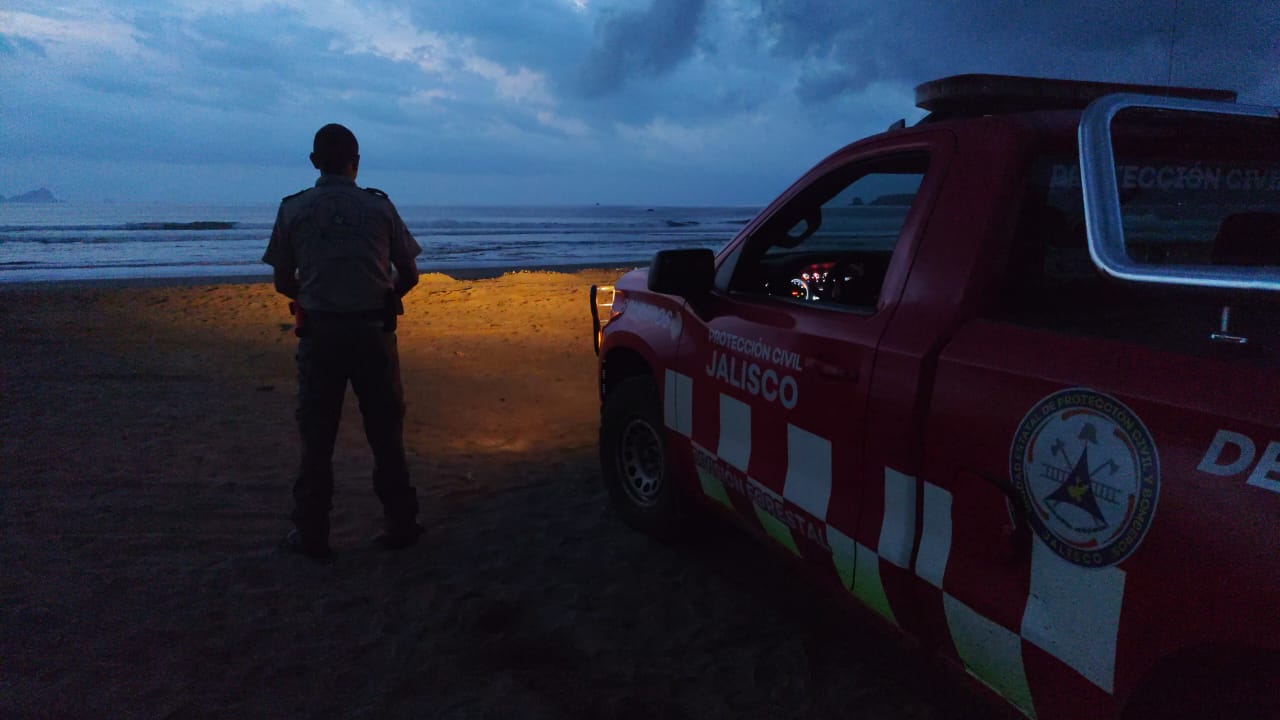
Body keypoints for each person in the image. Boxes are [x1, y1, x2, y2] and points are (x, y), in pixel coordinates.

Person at [262, 123, 423, 560]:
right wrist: (387, 294)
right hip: (373, 333)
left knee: (317, 436)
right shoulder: (379, 207)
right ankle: (401, 521)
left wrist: (310, 295)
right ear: (357, 161)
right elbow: (409, 273)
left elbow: (281, 280)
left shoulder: (294, 209)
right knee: (386, 433)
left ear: (315, 162)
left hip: (322, 337)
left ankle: (312, 532)